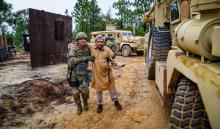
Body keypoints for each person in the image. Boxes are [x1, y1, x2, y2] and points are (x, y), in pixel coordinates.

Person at [90, 34, 122, 113]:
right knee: (98, 90)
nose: (100, 43)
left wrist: (115, 63)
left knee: (112, 88)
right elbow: (83, 43)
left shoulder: (107, 49)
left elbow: (113, 57)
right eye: (98, 42)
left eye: (102, 42)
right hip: (97, 73)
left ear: (104, 42)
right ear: (95, 42)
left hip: (107, 73)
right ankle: (100, 104)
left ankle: (116, 101)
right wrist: (74, 44)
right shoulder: (92, 48)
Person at [67, 32, 95, 115]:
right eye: (81, 39)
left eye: (85, 39)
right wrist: (85, 58)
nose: (83, 40)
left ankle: (85, 103)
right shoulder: (73, 48)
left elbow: (96, 52)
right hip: (74, 73)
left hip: (83, 73)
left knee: (85, 91)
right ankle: (79, 107)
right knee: (75, 92)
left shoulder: (88, 47)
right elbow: (71, 62)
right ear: (77, 40)